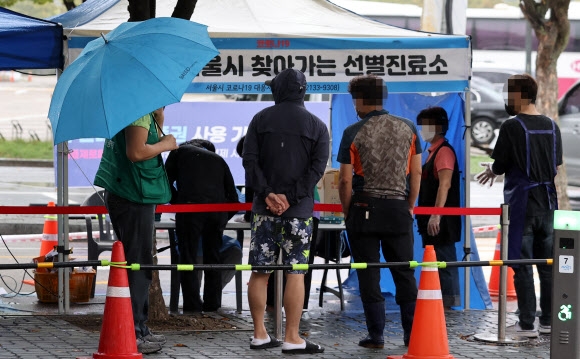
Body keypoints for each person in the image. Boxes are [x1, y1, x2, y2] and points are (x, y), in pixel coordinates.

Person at [243, 68, 328, 354]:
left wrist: (268, 194)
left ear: (277, 90)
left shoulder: (259, 119)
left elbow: (249, 161)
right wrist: (290, 198)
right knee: (296, 272)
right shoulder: (317, 126)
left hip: (263, 210)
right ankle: (292, 337)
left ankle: (259, 334)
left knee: (259, 271)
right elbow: (316, 170)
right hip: (299, 212)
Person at [337, 75, 421, 348]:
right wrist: (409, 205)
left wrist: (348, 211)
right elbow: (416, 171)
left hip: (363, 208)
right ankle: (411, 334)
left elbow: (345, 180)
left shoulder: (353, 131)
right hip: (398, 208)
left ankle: (376, 336)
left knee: (368, 273)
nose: (354, 106)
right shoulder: (408, 128)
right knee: (404, 273)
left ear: (360, 100)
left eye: (354, 100)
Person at [476, 74, 562, 338]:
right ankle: (548, 321)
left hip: (522, 204)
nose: (506, 98)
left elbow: (500, 164)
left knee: (521, 263)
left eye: (509, 93)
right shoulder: (551, 125)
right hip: (548, 203)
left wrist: (493, 170)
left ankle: (526, 324)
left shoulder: (512, 126)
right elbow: (556, 165)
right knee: (547, 265)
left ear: (520, 95)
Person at [94, 107, 178, 354]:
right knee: (138, 265)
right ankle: (134, 332)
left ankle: (138, 328)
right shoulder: (137, 112)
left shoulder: (138, 111)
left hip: (127, 192)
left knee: (137, 263)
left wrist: (159, 117)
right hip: (133, 195)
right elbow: (136, 151)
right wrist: (166, 145)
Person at [165, 138, 239, 313]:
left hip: (190, 211)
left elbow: (164, 183)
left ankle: (192, 305)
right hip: (217, 213)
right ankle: (212, 305)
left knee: (187, 259)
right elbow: (234, 198)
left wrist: (179, 204)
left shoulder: (177, 152)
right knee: (213, 258)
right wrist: (222, 219)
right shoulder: (219, 160)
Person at [415, 106, 461, 308]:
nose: (422, 129)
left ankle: (449, 305)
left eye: (426, 125)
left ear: (438, 127)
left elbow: (445, 184)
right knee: (435, 262)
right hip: (431, 219)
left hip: (442, 220)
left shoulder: (443, 152)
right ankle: (438, 301)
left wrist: (436, 215)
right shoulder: (430, 152)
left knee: (445, 262)